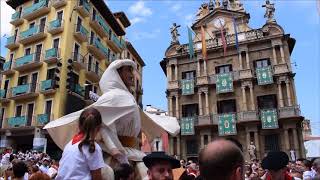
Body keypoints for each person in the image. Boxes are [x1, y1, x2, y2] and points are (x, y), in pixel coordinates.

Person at [45, 59, 180, 179]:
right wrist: (120, 156)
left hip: (131, 153)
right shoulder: (114, 96)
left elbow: (142, 118)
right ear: (117, 73)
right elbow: (106, 127)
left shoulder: (126, 96)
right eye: (128, 70)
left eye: (132, 70)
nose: (132, 75)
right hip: (118, 156)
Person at [55, 107, 105, 180]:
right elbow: (97, 177)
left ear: (79, 125)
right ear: (99, 128)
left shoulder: (69, 145)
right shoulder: (93, 147)